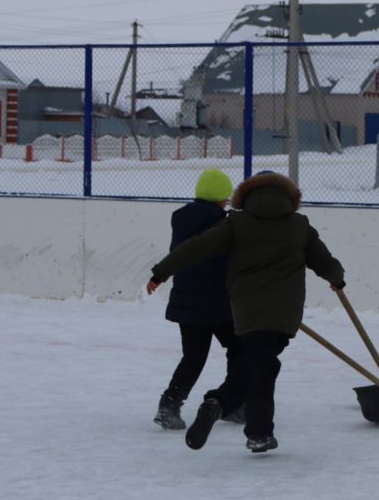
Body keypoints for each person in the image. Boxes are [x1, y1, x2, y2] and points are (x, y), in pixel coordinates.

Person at [146, 171, 344, 455]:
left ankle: (258, 431)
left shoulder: (235, 224)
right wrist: (337, 279)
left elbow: (196, 247)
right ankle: (221, 403)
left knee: (260, 364)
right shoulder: (299, 226)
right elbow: (324, 261)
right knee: (258, 365)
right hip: (281, 314)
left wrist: (161, 272)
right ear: (289, 198)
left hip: (245, 312)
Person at [152, 168, 242, 430]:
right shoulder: (222, 225)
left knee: (193, 357)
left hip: (186, 301)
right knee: (238, 350)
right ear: (219, 198)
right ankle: (233, 403)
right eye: (225, 197)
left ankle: (169, 403)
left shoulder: (182, 220)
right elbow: (229, 263)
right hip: (218, 303)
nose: (226, 201)